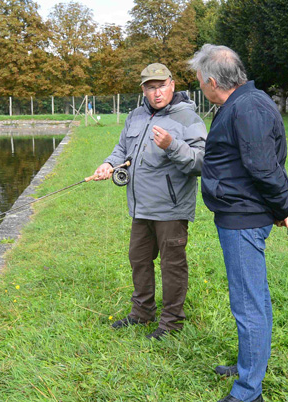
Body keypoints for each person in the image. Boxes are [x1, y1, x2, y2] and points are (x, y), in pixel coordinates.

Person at [189, 44, 288, 402]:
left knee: (249, 304)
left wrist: (283, 207)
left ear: (209, 81)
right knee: (254, 298)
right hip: (240, 213)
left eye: (198, 82)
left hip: (243, 218)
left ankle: (248, 392)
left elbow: (264, 168)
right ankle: (248, 363)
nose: (200, 87)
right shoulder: (239, 104)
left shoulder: (247, 107)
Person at [93, 63, 207, 340]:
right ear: (143, 89)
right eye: (151, 87)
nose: (157, 93)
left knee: (172, 266)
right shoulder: (135, 115)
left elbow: (201, 162)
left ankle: (171, 323)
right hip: (140, 206)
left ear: (172, 84)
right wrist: (109, 164)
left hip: (171, 208)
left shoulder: (188, 118)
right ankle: (142, 312)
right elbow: (123, 148)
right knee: (139, 259)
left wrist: (171, 145)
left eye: (162, 86)